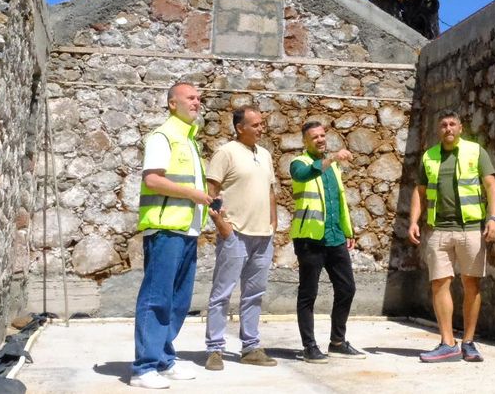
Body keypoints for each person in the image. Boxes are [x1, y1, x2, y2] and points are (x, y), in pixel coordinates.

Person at [130, 83, 215, 389]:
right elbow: (153, 180)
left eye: (198, 98)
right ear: (171, 103)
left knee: (178, 301)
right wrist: (194, 194)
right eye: (191, 97)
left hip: (187, 230)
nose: (197, 102)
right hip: (166, 229)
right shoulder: (162, 136)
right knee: (157, 299)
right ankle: (144, 367)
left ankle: (164, 359)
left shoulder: (189, 140)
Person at [407, 111, 495, 363]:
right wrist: (414, 221)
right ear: (439, 130)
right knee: (439, 282)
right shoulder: (429, 156)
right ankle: (447, 343)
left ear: (460, 128)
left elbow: (491, 185)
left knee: (472, 284)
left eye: (452, 124)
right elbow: (420, 191)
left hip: (471, 228)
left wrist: (493, 219)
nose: (448, 128)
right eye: (443, 125)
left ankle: (468, 342)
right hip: (439, 229)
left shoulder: (475, 151)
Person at [203, 105, 278, 370]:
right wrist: (222, 225)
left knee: (254, 294)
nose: (261, 128)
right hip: (235, 233)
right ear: (240, 128)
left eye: (262, 123)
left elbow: (270, 191)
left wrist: (273, 222)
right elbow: (211, 192)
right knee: (222, 293)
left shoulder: (265, 154)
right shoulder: (226, 153)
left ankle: (250, 347)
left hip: (263, 235)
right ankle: (215, 349)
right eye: (256, 124)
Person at [289, 121, 368, 363]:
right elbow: (305, 174)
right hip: (309, 239)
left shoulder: (333, 169)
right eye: (315, 137)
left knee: (347, 288)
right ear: (305, 141)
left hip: (334, 237)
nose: (321, 139)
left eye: (323, 135)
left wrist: (348, 230)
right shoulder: (298, 163)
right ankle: (309, 346)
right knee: (308, 294)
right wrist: (332, 157)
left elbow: (339, 200)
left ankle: (337, 342)